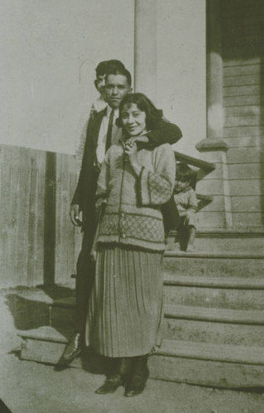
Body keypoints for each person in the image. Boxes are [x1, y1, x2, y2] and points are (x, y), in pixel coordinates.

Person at [55, 62, 182, 369]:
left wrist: (140, 141)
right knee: (88, 263)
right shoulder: (96, 116)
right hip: (101, 198)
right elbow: (89, 161)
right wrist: (77, 199)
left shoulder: (136, 112)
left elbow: (172, 132)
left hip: (136, 198)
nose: (114, 92)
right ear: (101, 85)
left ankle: (130, 349)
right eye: (109, 86)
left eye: (120, 87)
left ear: (129, 87)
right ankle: (79, 335)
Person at [85, 93, 176, 397]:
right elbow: (101, 196)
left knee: (142, 306)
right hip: (111, 237)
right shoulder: (111, 152)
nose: (131, 121)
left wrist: (137, 164)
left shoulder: (162, 149)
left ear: (147, 116)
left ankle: (139, 368)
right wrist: (97, 239)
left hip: (146, 239)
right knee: (114, 306)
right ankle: (116, 370)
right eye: (126, 116)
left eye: (137, 114)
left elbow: (164, 190)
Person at [174, 162, 198, 251]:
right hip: (171, 216)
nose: (178, 183)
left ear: (188, 183)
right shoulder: (170, 191)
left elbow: (193, 208)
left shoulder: (189, 192)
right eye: (176, 179)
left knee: (192, 216)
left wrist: (184, 213)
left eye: (182, 181)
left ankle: (190, 243)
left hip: (182, 217)